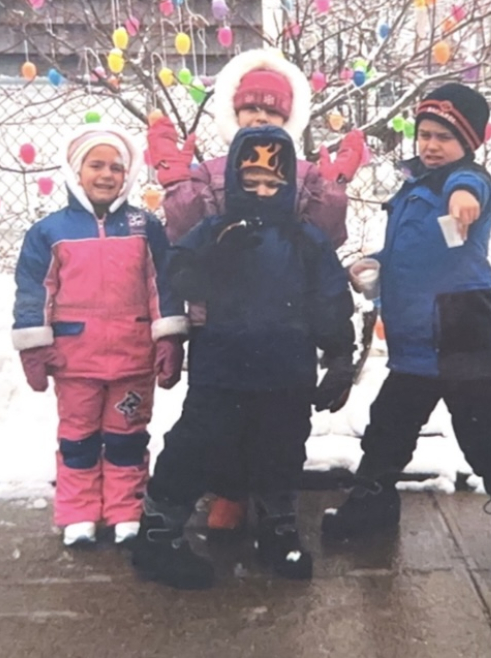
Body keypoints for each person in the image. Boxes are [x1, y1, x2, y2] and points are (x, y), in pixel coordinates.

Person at [320, 83, 491, 588]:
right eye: (424, 134)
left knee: (485, 434)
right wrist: (375, 263)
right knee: (388, 426)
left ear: (467, 140)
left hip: (463, 329)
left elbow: (471, 188)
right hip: (413, 337)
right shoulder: (413, 187)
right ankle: (375, 502)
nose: (430, 145)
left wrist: (463, 195)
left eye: (443, 137)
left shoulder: (466, 181)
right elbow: (413, 252)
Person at [146, 48, 364, 536]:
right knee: (216, 425)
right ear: (234, 111)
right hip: (220, 324)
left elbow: (325, 247)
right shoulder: (211, 171)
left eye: (272, 111)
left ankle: (276, 513)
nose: (262, 117)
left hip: (286, 329)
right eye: (253, 109)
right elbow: (183, 239)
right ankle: (224, 497)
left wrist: (334, 185)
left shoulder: (305, 175)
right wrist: (179, 182)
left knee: (278, 433)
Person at [129, 125, 357, 590]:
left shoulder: (304, 238)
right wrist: (212, 258)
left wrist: (339, 354)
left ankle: (278, 526)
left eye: (272, 185)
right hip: (222, 367)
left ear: (289, 188)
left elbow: (330, 297)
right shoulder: (215, 230)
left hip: (286, 370)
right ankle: (158, 531)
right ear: (233, 184)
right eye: (250, 183)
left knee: (282, 448)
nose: (261, 193)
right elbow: (181, 274)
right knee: (196, 446)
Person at [12, 124, 188, 548]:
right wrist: (34, 345)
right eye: (96, 165)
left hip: (133, 358)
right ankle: (79, 512)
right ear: (76, 171)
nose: (107, 175)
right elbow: (34, 291)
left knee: (127, 437)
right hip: (75, 361)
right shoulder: (49, 232)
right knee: (78, 437)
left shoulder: (143, 226)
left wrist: (168, 337)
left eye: (116, 167)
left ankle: (126, 510)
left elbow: (162, 284)